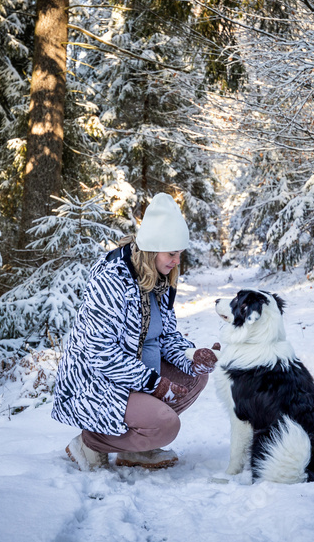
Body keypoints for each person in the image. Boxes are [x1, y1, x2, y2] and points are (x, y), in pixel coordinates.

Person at [52, 193, 219, 470]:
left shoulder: (159, 280)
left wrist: (193, 356)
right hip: (97, 384)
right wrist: (154, 384)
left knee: (196, 377)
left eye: (180, 254)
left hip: (137, 378)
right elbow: (101, 354)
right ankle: (90, 441)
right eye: (172, 254)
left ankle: (138, 448)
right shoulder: (112, 281)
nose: (177, 261)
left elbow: (165, 337)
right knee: (166, 425)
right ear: (153, 248)